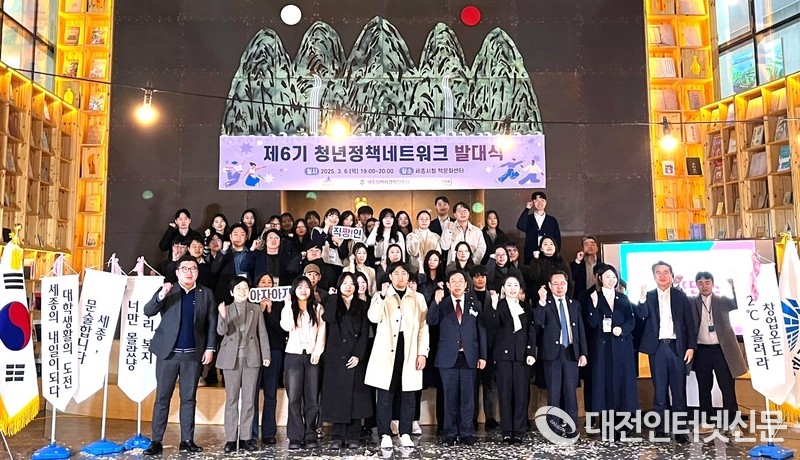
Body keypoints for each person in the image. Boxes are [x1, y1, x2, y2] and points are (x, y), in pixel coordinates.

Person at [143, 255, 217, 455]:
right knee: (162, 398)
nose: (189, 272)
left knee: (189, 399)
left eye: (193, 268)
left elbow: (211, 323)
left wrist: (210, 348)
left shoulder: (205, 293)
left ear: (197, 272)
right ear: (177, 272)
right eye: (185, 268)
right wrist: (161, 295)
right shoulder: (169, 290)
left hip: (192, 355)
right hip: (168, 354)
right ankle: (156, 441)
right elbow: (148, 311)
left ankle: (187, 440)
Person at [365, 262, 429, 449]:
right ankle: (384, 433)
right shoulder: (381, 295)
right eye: (396, 273)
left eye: (404, 273)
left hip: (409, 348)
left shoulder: (417, 297)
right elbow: (373, 317)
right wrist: (382, 296)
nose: (400, 277)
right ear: (390, 276)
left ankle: (405, 432)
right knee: (385, 394)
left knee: (408, 394)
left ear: (408, 277)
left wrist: (422, 353)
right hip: (386, 350)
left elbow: (423, 327)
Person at [635, 261, 696, 443]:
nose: (662, 276)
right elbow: (641, 316)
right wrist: (641, 299)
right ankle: (661, 429)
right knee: (659, 392)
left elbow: (689, 323)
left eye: (666, 272)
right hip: (657, 348)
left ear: (671, 275)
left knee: (679, 392)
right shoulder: (649, 296)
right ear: (654, 276)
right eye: (658, 272)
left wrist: (691, 347)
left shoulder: (680, 296)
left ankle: (680, 430)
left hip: (677, 347)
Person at [428, 270, 487, 446]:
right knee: (449, 398)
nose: (457, 284)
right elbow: (431, 321)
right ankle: (450, 433)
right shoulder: (443, 303)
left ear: (466, 284)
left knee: (468, 398)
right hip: (448, 358)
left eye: (460, 281)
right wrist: (435, 302)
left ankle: (467, 432)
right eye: (453, 281)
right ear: (448, 285)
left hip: (469, 357)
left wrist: (483, 356)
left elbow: (481, 330)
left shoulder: (474, 304)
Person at [216, 277, 271, 453]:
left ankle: (246, 438)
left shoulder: (256, 309)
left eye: (245, 287)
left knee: (249, 399)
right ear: (231, 292)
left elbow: (262, 333)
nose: (242, 291)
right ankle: (231, 439)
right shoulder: (226, 309)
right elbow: (221, 331)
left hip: (251, 357)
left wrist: (266, 355)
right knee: (231, 399)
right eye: (238, 288)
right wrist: (223, 316)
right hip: (230, 358)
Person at [585, 264, 638, 440]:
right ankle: (607, 427)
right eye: (607, 277)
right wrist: (593, 305)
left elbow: (631, 321)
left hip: (622, 347)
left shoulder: (623, 298)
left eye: (614, 277)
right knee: (605, 385)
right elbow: (592, 323)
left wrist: (621, 329)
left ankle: (624, 426)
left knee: (623, 385)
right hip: (603, 348)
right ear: (600, 278)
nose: (611, 280)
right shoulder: (594, 297)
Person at [690, 272, 747, 433]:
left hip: (722, 350)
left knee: (727, 387)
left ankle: (733, 423)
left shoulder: (722, 301)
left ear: (713, 284)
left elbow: (738, 303)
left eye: (707, 282)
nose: (704, 286)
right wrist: (677, 285)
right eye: (700, 283)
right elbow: (678, 302)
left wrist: (734, 287)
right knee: (704, 387)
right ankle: (706, 422)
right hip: (702, 350)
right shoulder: (692, 302)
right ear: (696, 285)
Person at [534, 270, 587, 439]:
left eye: (562, 283)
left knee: (571, 393)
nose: (559, 287)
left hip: (571, 352)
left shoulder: (574, 304)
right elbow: (538, 323)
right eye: (555, 284)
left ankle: (571, 428)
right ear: (550, 286)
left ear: (567, 284)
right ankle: (554, 429)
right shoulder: (545, 303)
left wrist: (583, 353)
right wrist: (542, 302)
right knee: (554, 393)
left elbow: (580, 330)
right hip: (552, 354)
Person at [321, 273, 372, 449]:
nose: (348, 286)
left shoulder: (362, 305)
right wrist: (333, 297)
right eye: (344, 283)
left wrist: (358, 355)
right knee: (338, 397)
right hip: (336, 357)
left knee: (356, 398)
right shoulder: (333, 302)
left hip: (354, 356)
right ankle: (337, 436)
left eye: (351, 283)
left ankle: (354, 436)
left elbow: (364, 332)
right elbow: (328, 318)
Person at [486, 274, 536, 443]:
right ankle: (507, 431)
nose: (513, 288)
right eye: (509, 285)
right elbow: (492, 328)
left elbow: (531, 332)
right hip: (503, 357)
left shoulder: (526, 307)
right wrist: (493, 307)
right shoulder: (498, 306)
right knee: (505, 394)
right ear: (503, 288)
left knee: (521, 395)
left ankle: (519, 431)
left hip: (522, 356)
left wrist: (531, 352)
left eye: (516, 285)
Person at [281, 276, 327, 450]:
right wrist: (287, 305)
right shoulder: (290, 307)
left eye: (306, 287)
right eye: (299, 287)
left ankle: (310, 433)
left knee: (312, 397)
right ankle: (295, 436)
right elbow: (286, 326)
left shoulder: (317, 308)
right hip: (293, 356)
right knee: (294, 398)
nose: (303, 290)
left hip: (312, 356)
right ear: (294, 289)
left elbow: (322, 332)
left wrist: (317, 352)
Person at [251, 274, 287, 447]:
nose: (266, 285)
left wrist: (271, 311)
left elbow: (282, 330)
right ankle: (251, 433)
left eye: (269, 282)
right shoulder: (250, 304)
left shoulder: (280, 304)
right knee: (252, 394)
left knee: (270, 393)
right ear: (257, 285)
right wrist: (259, 309)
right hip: (253, 352)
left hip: (274, 351)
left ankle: (268, 433)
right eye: (263, 282)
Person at [211, 223, 257, 303]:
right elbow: (214, 269)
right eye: (235, 234)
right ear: (230, 236)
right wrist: (223, 251)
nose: (238, 237)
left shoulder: (252, 253)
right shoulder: (223, 253)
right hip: (227, 296)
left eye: (242, 234)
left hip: (248, 295)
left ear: (246, 237)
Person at [516, 192, 561, 264]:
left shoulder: (552, 220)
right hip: (531, 253)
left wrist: (556, 254)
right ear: (532, 202)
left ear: (546, 202)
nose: (540, 203)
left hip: (549, 255)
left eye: (542, 200)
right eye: (537, 200)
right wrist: (527, 209)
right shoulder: (529, 219)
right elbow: (520, 226)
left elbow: (557, 239)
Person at [526, 235, 572, 301]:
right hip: (540, 298)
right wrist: (536, 259)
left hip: (560, 298)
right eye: (545, 244)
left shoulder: (561, 261)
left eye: (551, 244)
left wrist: (568, 299)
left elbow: (569, 282)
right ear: (541, 248)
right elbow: (534, 276)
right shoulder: (536, 261)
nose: (549, 246)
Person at [406, 210, 441, 276]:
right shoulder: (410, 236)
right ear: (417, 221)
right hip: (415, 269)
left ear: (430, 221)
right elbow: (413, 252)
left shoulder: (436, 236)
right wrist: (416, 237)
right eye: (421, 219)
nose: (424, 221)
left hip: (431, 269)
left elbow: (438, 254)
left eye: (427, 219)